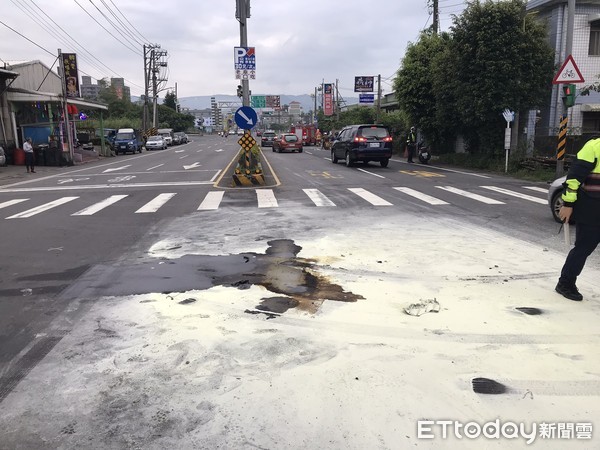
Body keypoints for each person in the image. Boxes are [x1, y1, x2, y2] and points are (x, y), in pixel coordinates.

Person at [556, 137, 600, 301]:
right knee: (583, 248)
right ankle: (565, 283)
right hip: (592, 209)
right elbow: (573, 179)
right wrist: (567, 204)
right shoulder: (594, 147)